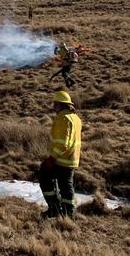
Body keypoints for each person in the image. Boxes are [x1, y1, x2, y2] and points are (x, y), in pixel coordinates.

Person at [39, 90, 82, 219]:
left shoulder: (63, 118)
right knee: (66, 187)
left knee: (44, 175)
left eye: (55, 104)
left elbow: (64, 143)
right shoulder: (75, 118)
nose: (53, 107)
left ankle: (55, 209)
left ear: (61, 105)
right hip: (72, 159)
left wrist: (52, 158)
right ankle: (69, 214)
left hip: (62, 159)